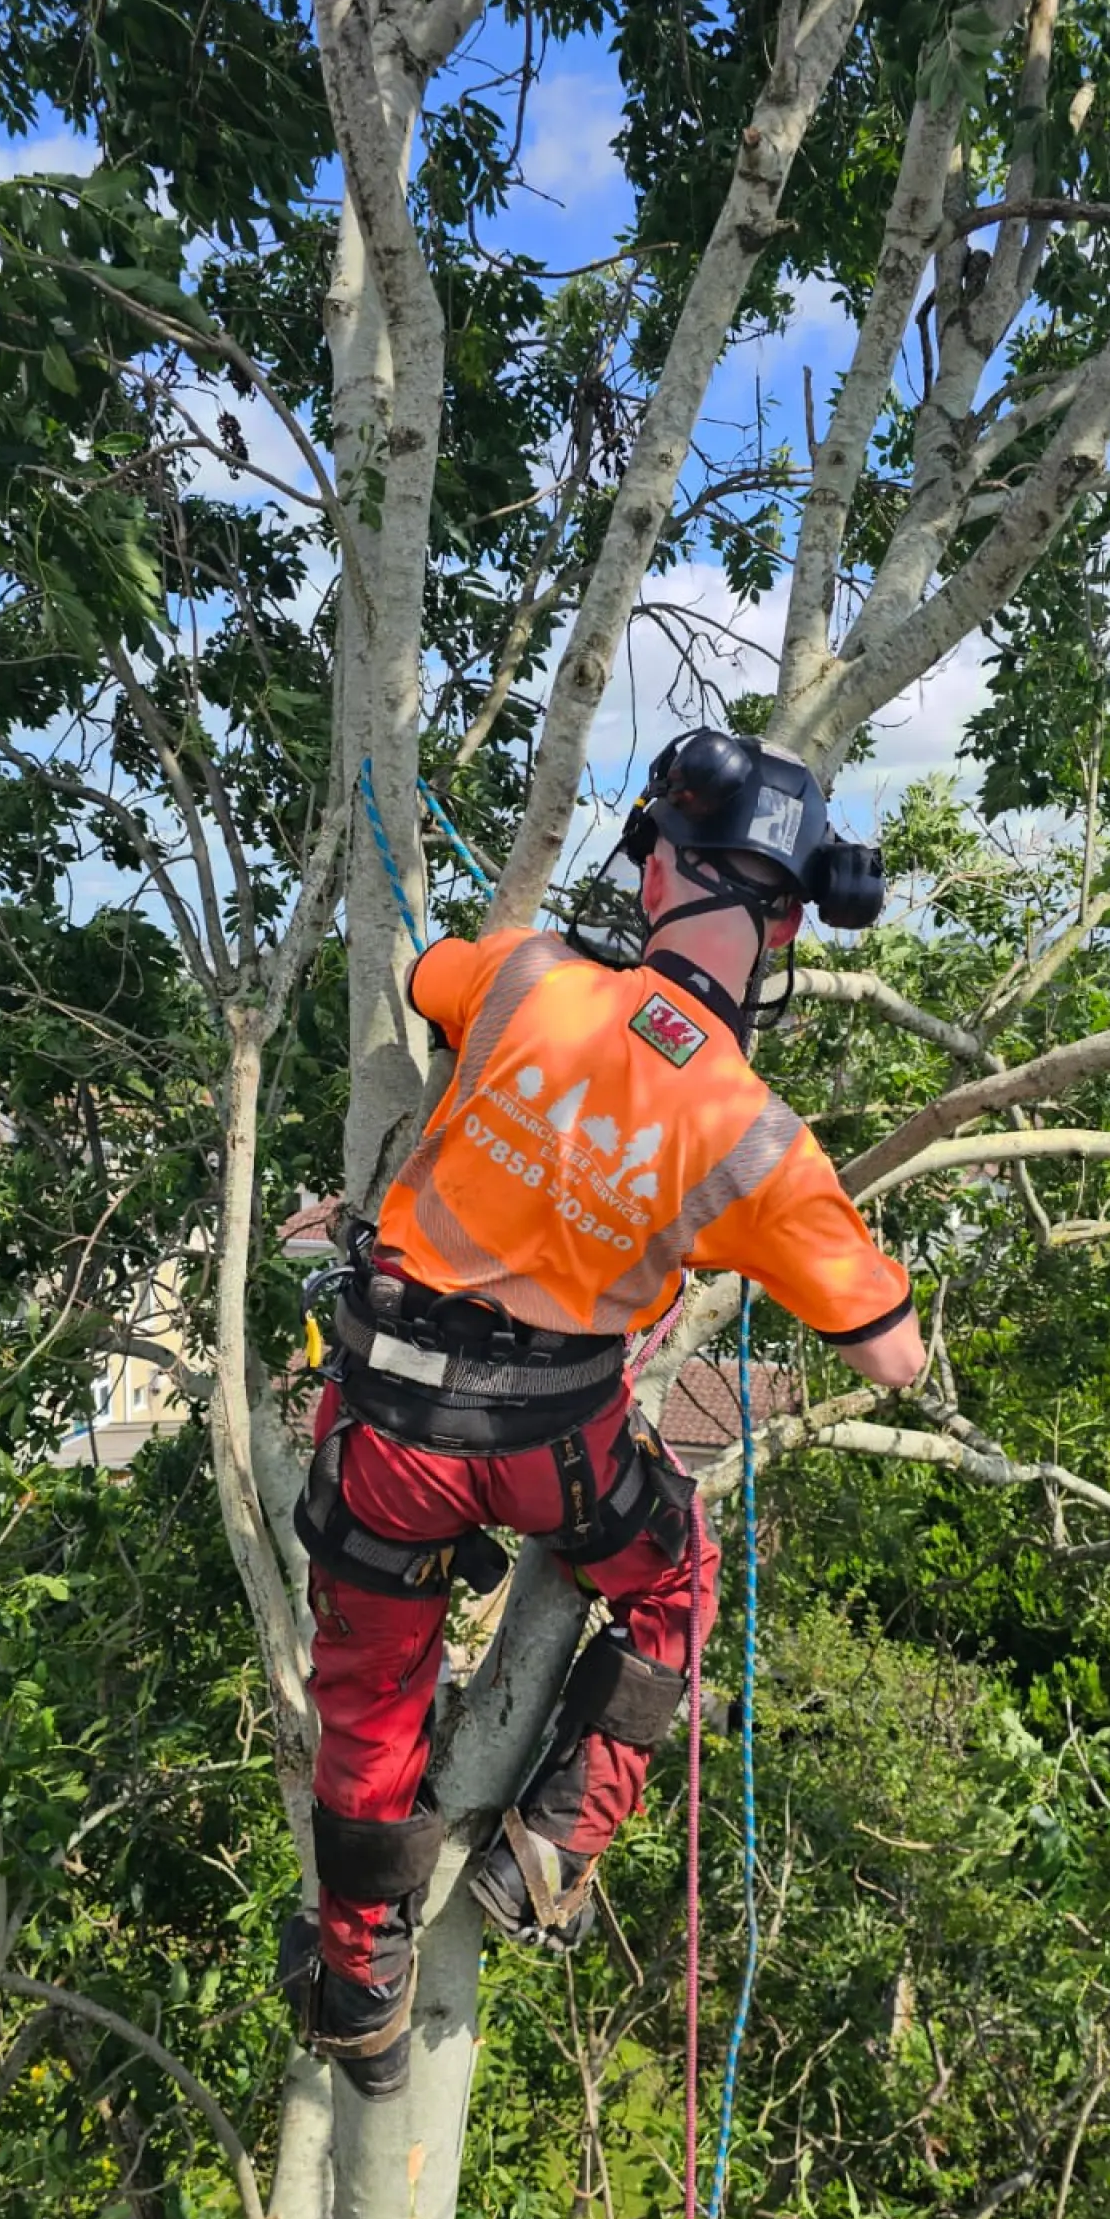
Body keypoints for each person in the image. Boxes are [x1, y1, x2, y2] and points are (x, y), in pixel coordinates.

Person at [281, 731, 926, 2097]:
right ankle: (557, 1843)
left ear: (653, 876)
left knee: (369, 1702)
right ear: (795, 921)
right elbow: (895, 1357)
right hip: (551, 1452)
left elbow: (423, 976)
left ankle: (359, 1988)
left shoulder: (526, 977)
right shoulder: (755, 1136)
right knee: (672, 1572)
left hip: (390, 1430)